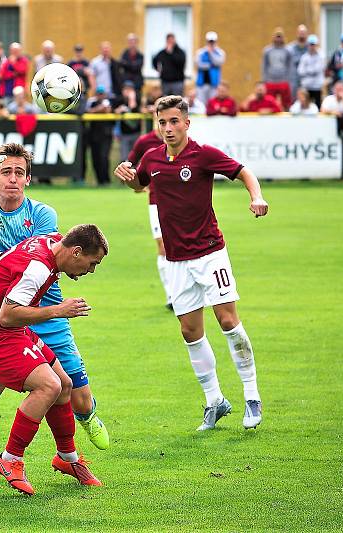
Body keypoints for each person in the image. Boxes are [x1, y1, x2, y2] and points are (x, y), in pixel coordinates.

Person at [0, 145, 111, 491]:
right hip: (6, 323)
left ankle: (68, 456)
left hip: (35, 316)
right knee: (9, 386)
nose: (13, 179)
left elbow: (37, 253)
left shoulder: (45, 222)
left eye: (19, 172)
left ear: (28, 179)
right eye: (6, 172)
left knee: (68, 387)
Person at [115, 95, 268, 431]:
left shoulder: (203, 155)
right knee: (189, 331)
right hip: (176, 260)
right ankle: (215, 401)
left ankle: (252, 395)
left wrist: (256, 196)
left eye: (173, 121)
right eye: (162, 122)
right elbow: (140, 184)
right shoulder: (152, 156)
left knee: (228, 320)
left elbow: (244, 171)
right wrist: (128, 177)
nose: (168, 128)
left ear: (186, 122)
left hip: (211, 252)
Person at [0, 211, 108, 495]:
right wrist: (58, 310)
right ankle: (10, 459)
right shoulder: (39, 268)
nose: (91, 271)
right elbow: (7, 315)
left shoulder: (52, 242)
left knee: (65, 384)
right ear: (76, 252)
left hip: (8, 332)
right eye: (92, 263)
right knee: (48, 386)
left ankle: (67, 459)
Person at [121, 117, 170, 308]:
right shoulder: (145, 143)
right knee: (164, 249)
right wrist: (138, 183)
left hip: (181, 204)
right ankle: (171, 296)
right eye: (162, 119)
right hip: (156, 203)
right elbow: (129, 166)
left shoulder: (180, 141)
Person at [320, 81, 343, 180]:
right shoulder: (329, 99)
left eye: (341, 89)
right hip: (330, 132)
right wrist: (333, 112)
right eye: (337, 89)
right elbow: (322, 110)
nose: (339, 91)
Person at [85, 86, 114, 185]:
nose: (100, 96)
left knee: (104, 157)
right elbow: (88, 112)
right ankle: (99, 181)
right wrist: (99, 109)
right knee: (95, 158)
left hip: (106, 135)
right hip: (94, 135)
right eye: (99, 94)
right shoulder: (92, 102)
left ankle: (106, 180)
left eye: (102, 94)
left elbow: (109, 111)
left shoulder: (108, 102)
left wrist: (102, 109)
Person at [261, 28, 293, 110]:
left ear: (283, 38)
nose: (278, 39)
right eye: (277, 36)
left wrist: (288, 80)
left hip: (283, 81)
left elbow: (290, 66)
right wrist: (265, 80)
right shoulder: (267, 50)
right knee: (270, 101)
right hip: (271, 81)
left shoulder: (288, 50)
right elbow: (264, 66)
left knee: (286, 103)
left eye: (280, 36)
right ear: (273, 37)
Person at [195, 31, 225, 104]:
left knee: (212, 103)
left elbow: (219, 62)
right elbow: (198, 64)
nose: (211, 43)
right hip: (201, 83)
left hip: (214, 84)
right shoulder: (200, 52)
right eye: (209, 41)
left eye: (213, 41)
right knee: (201, 103)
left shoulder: (220, 52)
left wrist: (210, 53)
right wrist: (210, 65)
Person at [114, 81, 141, 161]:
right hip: (124, 134)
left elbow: (134, 108)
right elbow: (113, 110)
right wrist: (118, 110)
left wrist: (132, 99)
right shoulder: (120, 100)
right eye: (126, 89)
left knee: (135, 158)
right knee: (124, 158)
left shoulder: (137, 99)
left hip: (136, 133)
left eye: (130, 89)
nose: (127, 92)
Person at [297, 35, 325, 108]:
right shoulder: (304, 57)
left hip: (317, 86)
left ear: (316, 45)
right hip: (306, 86)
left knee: (318, 106)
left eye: (313, 45)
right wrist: (311, 71)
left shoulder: (321, 56)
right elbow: (300, 71)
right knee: (306, 105)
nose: (312, 47)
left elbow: (318, 69)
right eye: (310, 45)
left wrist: (308, 71)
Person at [287, 24, 309, 94]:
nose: (302, 35)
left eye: (303, 33)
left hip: (307, 80)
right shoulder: (290, 48)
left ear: (307, 34)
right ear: (297, 33)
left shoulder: (311, 48)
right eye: (300, 32)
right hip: (293, 81)